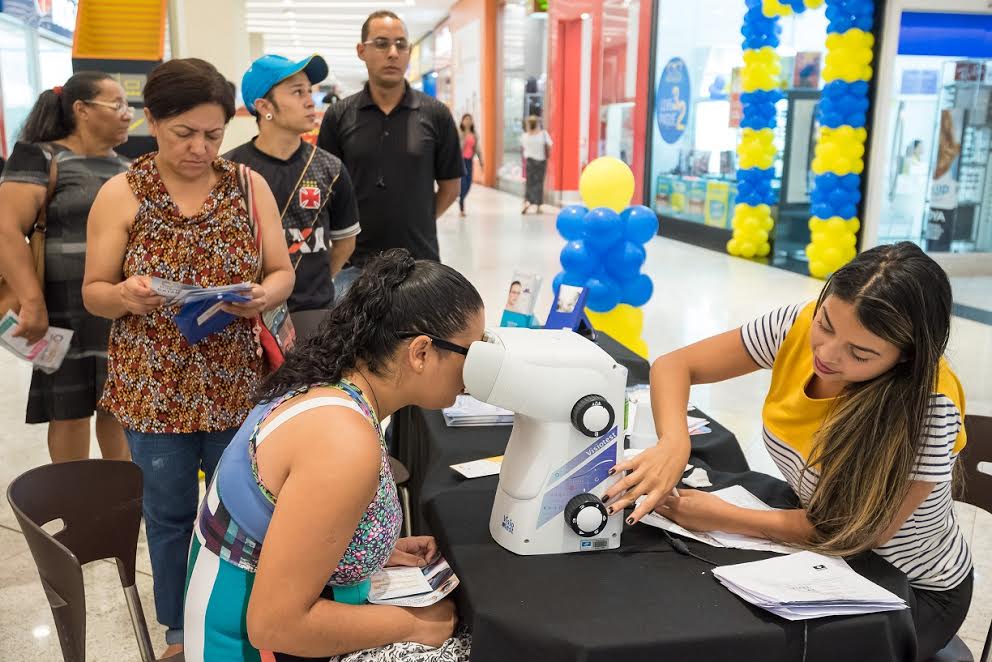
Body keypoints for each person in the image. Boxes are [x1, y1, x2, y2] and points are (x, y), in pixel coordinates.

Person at [605, 242, 972, 661]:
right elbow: (675, 365)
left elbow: (856, 534)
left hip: (907, 589)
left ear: (906, 357)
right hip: (817, 548)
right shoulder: (799, 325)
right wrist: (674, 441)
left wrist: (720, 516)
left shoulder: (930, 405)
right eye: (827, 325)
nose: (827, 354)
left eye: (861, 352)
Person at [82, 58, 295, 658]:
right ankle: (179, 626)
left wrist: (263, 295)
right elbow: (94, 292)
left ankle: (242, 613)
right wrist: (125, 295)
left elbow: (281, 272)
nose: (200, 148)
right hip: (154, 387)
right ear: (153, 120)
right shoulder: (121, 193)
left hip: (233, 381)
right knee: (170, 514)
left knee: (242, 510)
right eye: (184, 134)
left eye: (213, 134)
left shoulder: (248, 186)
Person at [183, 249, 479, 662]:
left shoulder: (327, 386)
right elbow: (276, 624)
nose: (476, 371)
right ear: (421, 352)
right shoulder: (342, 442)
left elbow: (289, 525)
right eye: (473, 352)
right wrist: (413, 622)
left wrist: (367, 548)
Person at [0, 72, 132, 463]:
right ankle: (75, 506)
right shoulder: (40, 156)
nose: (129, 115)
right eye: (118, 105)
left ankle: (120, 504)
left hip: (115, 311)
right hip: (59, 310)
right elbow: (7, 231)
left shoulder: (127, 167)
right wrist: (31, 302)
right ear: (82, 109)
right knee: (69, 412)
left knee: (119, 409)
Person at [318, 10, 463, 298]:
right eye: (382, 44)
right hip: (353, 266)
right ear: (362, 51)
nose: (393, 53)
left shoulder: (435, 114)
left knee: (419, 342)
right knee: (351, 344)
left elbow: (450, 186)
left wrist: (418, 217)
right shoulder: (339, 116)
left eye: (401, 44)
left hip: (419, 265)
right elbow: (327, 190)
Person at [226, 53, 360, 314]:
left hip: (313, 313)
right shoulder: (230, 171)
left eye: (310, 91)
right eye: (298, 92)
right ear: (264, 107)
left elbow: (345, 242)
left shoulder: (330, 169)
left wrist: (316, 284)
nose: (311, 102)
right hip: (249, 315)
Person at [520, 115, 551, 215]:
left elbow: (524, 147)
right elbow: (550, 146)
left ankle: (527, 202)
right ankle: (538, 205)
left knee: (529, 183)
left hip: (530, 161)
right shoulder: (543, 134)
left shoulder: (525, 136)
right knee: (539, 183)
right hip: (541, 161)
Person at [458, 113, 482, 217]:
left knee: (468, 185)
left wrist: (481, 161)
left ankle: (460, 196)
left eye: (469, 119)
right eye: (466, 119)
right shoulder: (459, 133)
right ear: (462, 121)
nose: (467, 121)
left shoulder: (474, 135)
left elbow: (477, 149)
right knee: (463, 183)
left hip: (469, 161)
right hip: (460, 161)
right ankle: (462, 205)